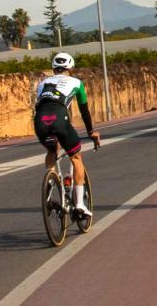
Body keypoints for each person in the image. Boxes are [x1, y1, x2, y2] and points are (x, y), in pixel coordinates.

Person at [33, 52, 100, 217]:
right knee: (76, 158)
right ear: (70, 67)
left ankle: (50, 181)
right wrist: (91, 132)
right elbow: (84, 110)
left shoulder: (43, 83)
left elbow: (42, 105)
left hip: (40, 120)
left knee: (52, 150)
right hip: (59, 119)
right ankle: (79, 205)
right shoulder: (76, 83)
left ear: (54, 68)